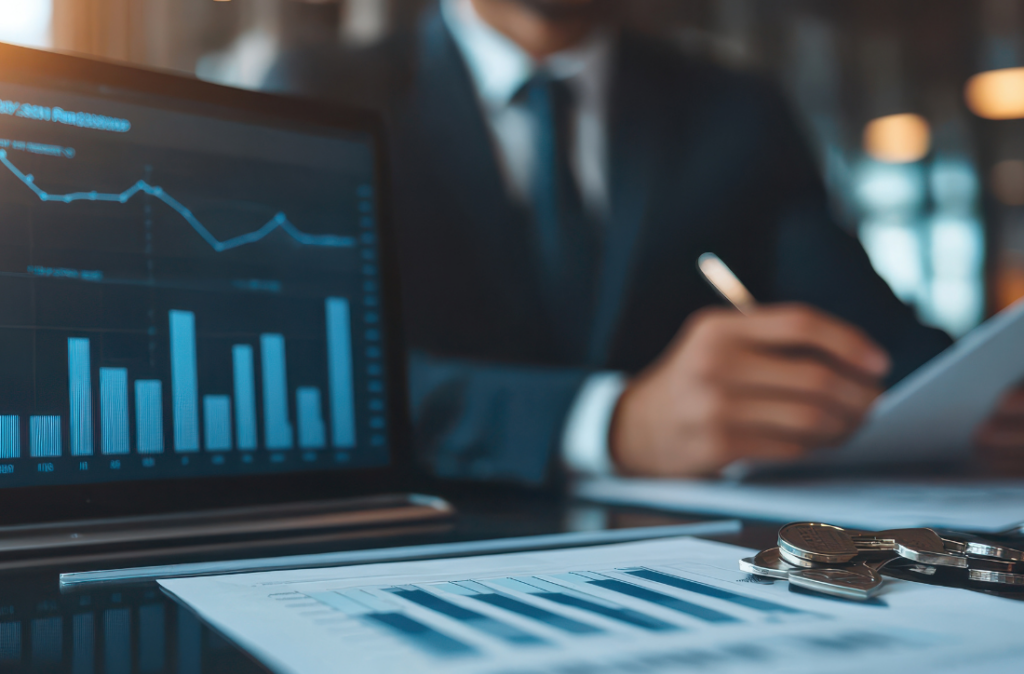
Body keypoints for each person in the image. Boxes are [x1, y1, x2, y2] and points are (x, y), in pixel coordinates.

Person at [267, 0, 1024, 484]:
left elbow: (865, 330)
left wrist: (974, 399)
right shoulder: (324, 89)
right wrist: (608, 421)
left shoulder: (735, 108)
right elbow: (307, 367)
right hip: (419, 538)